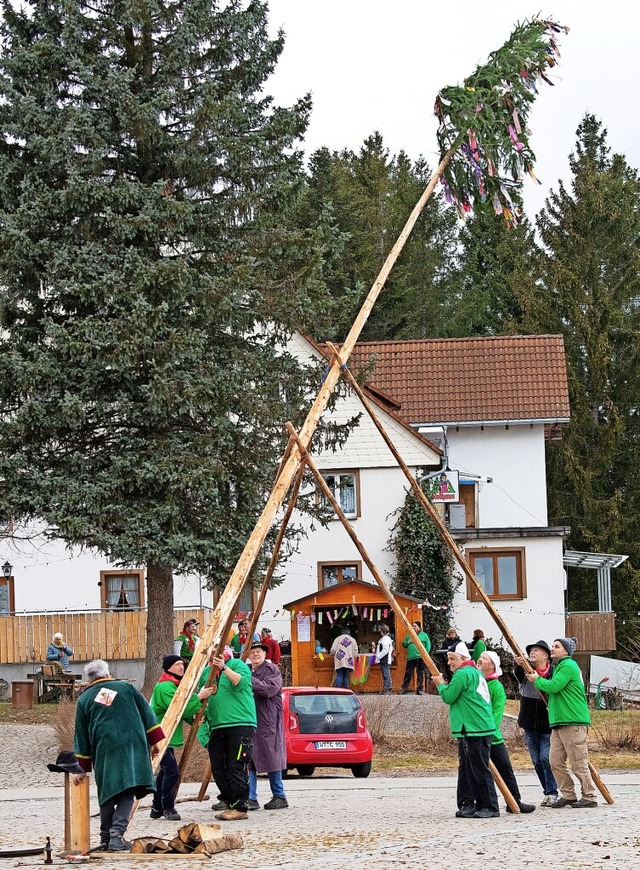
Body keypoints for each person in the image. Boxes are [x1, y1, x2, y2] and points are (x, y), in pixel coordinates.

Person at [73, 659, 164, 851]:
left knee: (107, 792)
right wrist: (156, 741)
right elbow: (148, 713)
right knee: (127, 790)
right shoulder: (126, 688)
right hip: (132, 745)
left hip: (104, 748)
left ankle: (106, 837)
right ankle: (116, 835)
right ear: (107, 674)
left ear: (90, 679)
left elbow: (81, 734)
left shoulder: (84, 699)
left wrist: (81, 768)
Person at [526, 637, 598, 808]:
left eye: (556, 647)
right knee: (555, 761)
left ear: (566, 651)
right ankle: (568, 794)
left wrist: (537, 680)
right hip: (558, 722)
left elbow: (553, 687)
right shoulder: (559, 667)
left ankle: (590, 796)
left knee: (578, 761)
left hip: (573, 720)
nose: (553, 649)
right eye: (552, 646)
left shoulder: (568, 666)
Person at [432, 641, 499, 819]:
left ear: (463, 658)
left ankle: (490, 806)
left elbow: (448, 696)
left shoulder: (463, 674)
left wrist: (440, 684)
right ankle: (474, 804)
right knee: (470, 768)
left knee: (478, 768)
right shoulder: (475, 672)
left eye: (452, 659)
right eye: (448, 659)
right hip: (473, 727)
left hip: (475, 727)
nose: (449, 663)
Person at [149, 654, 214, 821]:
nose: (181, 667)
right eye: (177, 664)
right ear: (168, 667)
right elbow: (179, 707)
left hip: (166, 736)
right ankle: (167, 807)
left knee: (165, 772)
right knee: (171, 772)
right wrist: (199, 697)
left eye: (182, 664)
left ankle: (157, 807)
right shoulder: (165, 687)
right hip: (159, 737)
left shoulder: (174, 685)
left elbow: (181, 710)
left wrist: (192, 720)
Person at [198, 649, 257, 820]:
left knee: (236, 765)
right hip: (217, 725)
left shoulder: (237, 664)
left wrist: (223, 667)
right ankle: (229, 801)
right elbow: (202, 697)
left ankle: (240, 806)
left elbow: (242, 683)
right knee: (218, 766)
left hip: (240, 723)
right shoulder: (206, 673)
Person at [477, 651, 535, 814]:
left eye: (484, 658)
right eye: (479, 657)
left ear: (493, 665)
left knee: (505, 770)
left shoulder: (495, 686)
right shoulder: (475, 682)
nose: (480, 660)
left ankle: (514, 800)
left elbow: (496, 712)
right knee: (479, 771)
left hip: (491, 736)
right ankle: (481, 802)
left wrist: (488, 731)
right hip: (477, 735)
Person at [513, 639, 558, 806]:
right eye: (531, 650)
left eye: (537, 650)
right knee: (536, 760)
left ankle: (553, 792)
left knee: (546, 758)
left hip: (548, 722)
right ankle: (547, 791)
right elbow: (517, 676)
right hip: (529, 722)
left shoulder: (553, 672)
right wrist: (518, 665)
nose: (533, 652)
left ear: (546, 655)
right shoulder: (526, 671)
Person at [246, 642, 288, 810]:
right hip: (251, 718)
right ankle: (250, 797)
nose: (256, 654)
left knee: (272, 757)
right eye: (253, 652)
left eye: (259, 652)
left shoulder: (272, 670)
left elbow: (269, 690)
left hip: (268, 720)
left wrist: (248, 679)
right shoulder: (247, 670)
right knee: (249, 759)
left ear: (264, 654)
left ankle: (279, 795)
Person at [401, 621, 431, 695]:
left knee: (420, 673)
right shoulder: (409, 635)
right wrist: (408, 642)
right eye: (413, 626)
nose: (413, 627)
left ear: (419, 627)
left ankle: (419, 689)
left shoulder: (424, 635)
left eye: (415, 626)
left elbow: (428, 645)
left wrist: (424, 655)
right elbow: (403, 644)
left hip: (420, 657)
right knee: (408, 673)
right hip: (411, 657)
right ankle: (404, 689)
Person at [375, 624, 394, 694]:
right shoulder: (386, 639)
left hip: (384, 658)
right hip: (384, 658)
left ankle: (388, 688)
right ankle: (386, 688)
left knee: (386, 674)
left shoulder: (385, 639)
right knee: (385, 673)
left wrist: (378, 656)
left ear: (383, 631)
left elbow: (385, 650)